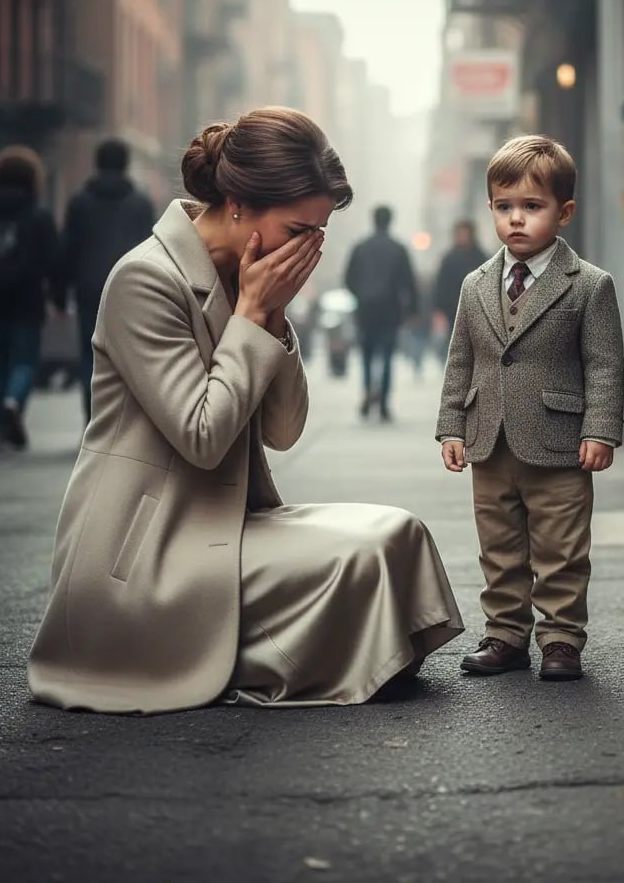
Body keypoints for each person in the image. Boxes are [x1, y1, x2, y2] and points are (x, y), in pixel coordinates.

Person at [27, 106, 463, 714]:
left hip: (229, 522)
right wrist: (253, 315)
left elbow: (284, 432)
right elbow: (202, 436)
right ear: (237, 204)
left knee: (398, 532)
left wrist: (274, 317)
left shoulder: (247, 276)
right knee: (355, 559)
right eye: (298, 231)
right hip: (147, 555)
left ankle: (337, 649)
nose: (307, 252)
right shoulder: (145, 281)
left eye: (319, 233)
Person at [436, 135, 624, 682]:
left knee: (561, 547)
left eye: (532, 207)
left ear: (563, 212)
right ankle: (505, 635)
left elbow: (604, 364)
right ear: (491, 207)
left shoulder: (590, 285)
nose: (516, 218)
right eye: (504, 206)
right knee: (498, 547)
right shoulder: (475, 285)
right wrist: (452, 425)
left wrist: (602, 430)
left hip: (560, 442)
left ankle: (562, 638)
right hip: (488, 439)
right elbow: (461, 360)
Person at [58, 138, 153, 420]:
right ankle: (121, 421)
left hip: (88, 290)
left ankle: (93, 420)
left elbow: (67, 248)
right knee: (128, 355)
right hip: (131, 289)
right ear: (125, 163)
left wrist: (58, 294)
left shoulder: (79, 202)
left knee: (90, 356)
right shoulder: (140, 204)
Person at [0, 146, 60, 450]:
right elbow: (53, 259)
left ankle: (4, 430)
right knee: (25, 361)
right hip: (27, 300)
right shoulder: (39, 215)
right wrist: (57, 295)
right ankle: (14, 401)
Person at [344, 205, 418, 421]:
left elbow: (348, 278)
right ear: (390, 221)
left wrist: (360, 295)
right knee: (386, 355)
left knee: (366, 355)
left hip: (365, 308)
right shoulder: (398, 249)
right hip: (390, 309)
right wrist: (412, 309)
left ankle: (367, 392)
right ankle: (384, 403)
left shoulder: (360, 248)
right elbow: (409, 282)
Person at [433, 219, 487, 356]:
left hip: (477, 308)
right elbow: (441, 285)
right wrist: (439, 310)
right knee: (456, 344)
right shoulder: (449, 259)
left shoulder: (481, 257)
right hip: (453, 308)